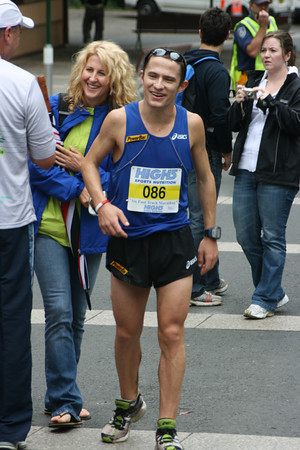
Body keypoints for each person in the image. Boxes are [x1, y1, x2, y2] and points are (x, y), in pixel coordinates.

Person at [82, 47, 219, 449]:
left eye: (169, 79)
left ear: (182, 85)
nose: (159, 85)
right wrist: (102, 204)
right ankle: (127, 405)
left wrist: (210, 232)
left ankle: (167, 427)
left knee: (172, 332)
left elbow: (207, 177)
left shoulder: (191, 124)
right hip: (128, 240)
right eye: (153, 76)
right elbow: (90, 164)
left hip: (174, 242)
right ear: (142, 76)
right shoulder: (120, 119)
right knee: (127, 332)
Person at [29, 40, 137, 428]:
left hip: (90, 233)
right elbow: (37, 166)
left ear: (114, 79)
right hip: (48, 226)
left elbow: (119, 182)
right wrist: (81, 185)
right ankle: (66, 401)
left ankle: (58, 393)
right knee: (58, 310)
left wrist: (82, 167)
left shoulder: (122, 121)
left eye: (102, 72)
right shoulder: (57, 108)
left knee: (75, 317)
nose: (93, 77)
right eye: (89, 69)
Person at [0, 1, 56, 448]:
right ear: (6, 35)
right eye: (17, 31)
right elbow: (42, 155)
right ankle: (10, 427)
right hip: (10, 223)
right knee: (11, 322)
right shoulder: (22, 85)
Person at [227, 30, 300, 319]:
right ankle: (273, 290)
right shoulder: (256, 81)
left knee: (272, 236)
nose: (266, 55)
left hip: (278, 172)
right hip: (246, 167)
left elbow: (295, 123)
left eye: (272, 50)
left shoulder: (295, 86)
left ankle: (266, 297)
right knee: (245, 235)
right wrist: (240, 102)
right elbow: (234, 125)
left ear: (287, 54)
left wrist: (271, 101)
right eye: (264, 50)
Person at [184, 7, 232, 307]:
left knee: (198, 214)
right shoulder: (217, 71)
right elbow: (220, 117)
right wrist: (226, 150)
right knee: (201, 216)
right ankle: (194, 285)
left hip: (180, 147)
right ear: (227, 36)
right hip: (205, 151)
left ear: (200, 32)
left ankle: (211, 276)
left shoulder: (184, 62)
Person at [230, 0, 277, 90]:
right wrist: (263, 27)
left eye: (266, 4)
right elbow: (252, 51)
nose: (263, 7)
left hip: (269, 74)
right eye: (259, 5)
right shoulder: (243, 26)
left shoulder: (271, 20)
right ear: (251, 6)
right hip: (248, 77)